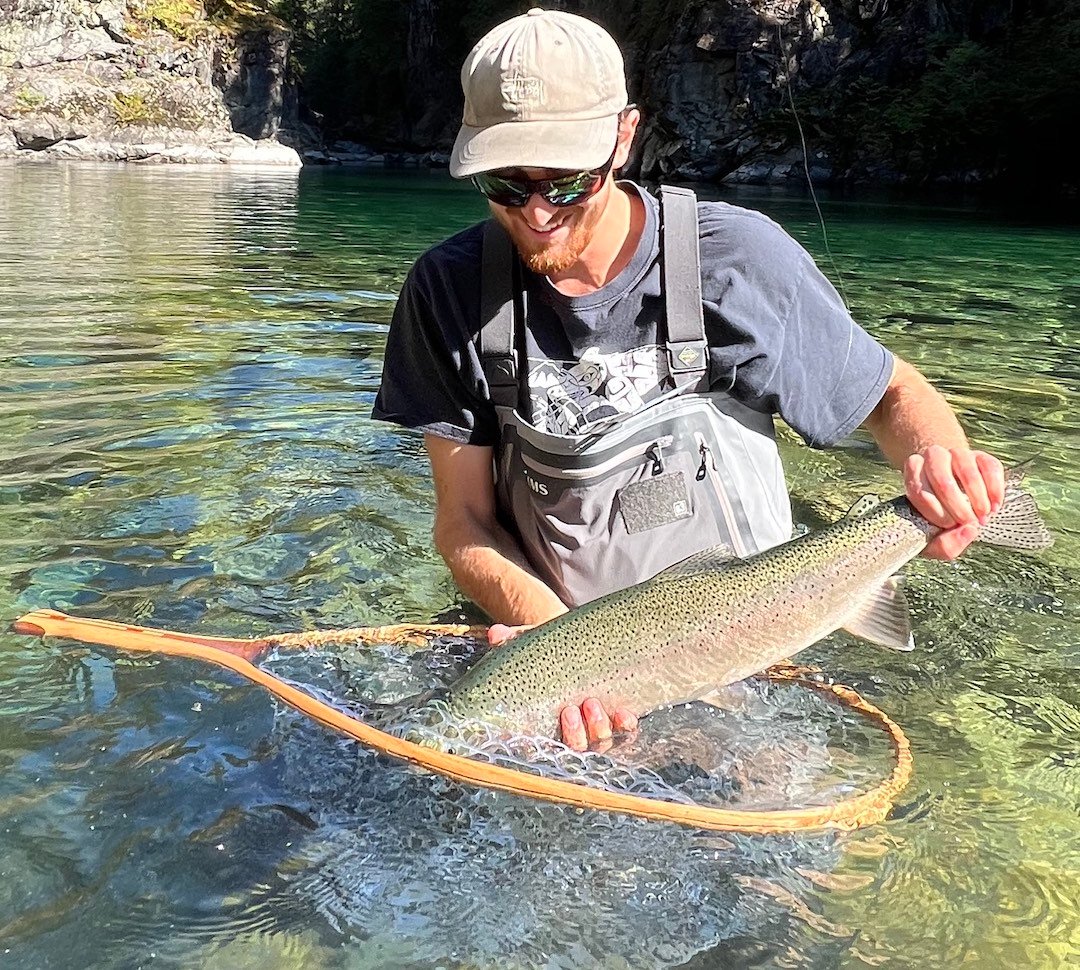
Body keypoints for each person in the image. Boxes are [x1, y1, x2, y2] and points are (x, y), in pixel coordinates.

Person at [373, 8, 1005, 750]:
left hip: (765, 651)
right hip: (563, 663)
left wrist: (942, 470)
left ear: (624, 135)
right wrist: (559, 651)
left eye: (567, 181)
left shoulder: (734, 260)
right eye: (507, 185)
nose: (538, 212)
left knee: (806, 867)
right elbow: (464, 524)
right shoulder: (445, 292)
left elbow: (893, 395)